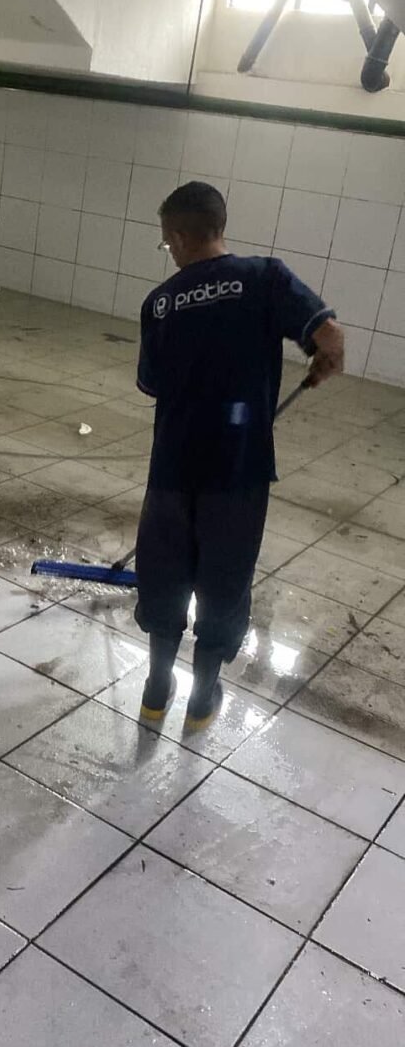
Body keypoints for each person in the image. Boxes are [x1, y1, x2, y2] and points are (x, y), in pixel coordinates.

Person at [136, 180, 344, 729]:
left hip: (173, 467)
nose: (170, 251)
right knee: (224, 581)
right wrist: (322, 361)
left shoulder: (160, 303)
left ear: (181, 236)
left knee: (165, 574)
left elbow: (152, 383)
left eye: (167, 242)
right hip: (238, 469)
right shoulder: (263, 278)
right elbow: (328, 335)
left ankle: (156, 689)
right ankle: (202, 698)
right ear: (219, 227)